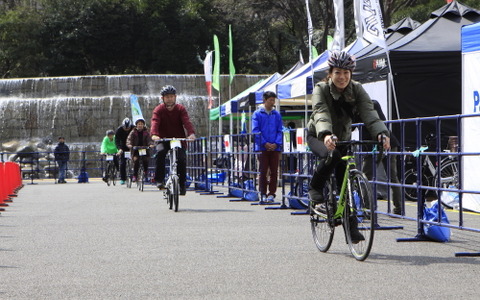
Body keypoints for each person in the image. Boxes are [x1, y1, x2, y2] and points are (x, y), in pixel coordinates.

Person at [307, 51, 391, 242]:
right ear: (330, 73)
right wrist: (326, 134)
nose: (342, 77)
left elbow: (369, 112)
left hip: (342, 138)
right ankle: (315, 189)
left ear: (351, 73)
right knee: (333, 155)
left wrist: (381, 133)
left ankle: (351, 229)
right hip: (318, 136)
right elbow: (320, 112)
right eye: (337, 72)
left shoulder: (357, 89)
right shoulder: (321, 89)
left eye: (346, 72)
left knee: (345, 181)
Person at [151, 85, 196, 195]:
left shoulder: (181, 109)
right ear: (163, 98)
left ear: (175, 97)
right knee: (160, 153)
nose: (169, 99)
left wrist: (191, 133)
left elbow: (187, 122)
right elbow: (155, 122)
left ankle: (182, 184)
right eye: (167, 97)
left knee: (181, 159)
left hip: (178, 139)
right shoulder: (159, 109)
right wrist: (154, 134)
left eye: (171, 96)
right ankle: (159, 180)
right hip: (163, 139)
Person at [361, 100, 402, 215]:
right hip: (389, 142)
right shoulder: (374, 104)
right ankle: (399, 208)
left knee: (367, 177)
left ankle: (368, 210)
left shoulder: (362, 107)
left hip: (373, 144)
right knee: (392, 176)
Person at [252, 91, 283, 203]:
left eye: (273, 100)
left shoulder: (277, 114)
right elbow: (255, 131)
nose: (272, 102)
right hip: (262, 147)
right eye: (270, 100)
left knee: (274, 171)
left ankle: (272, 193)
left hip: (275, 147)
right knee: (263, 171)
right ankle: (263, 193)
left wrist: (276, 143)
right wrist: (264, 143)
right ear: (264, 100)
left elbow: (280, 130)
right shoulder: (257, 114)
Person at [115, 118, 135, 184]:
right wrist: (119, 149)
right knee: (122, 163)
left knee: (136, 160)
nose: (126, 129)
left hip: (132, 145)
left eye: (128, 128)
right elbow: (117, 141)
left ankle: (136, 175)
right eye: (125, 128)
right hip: (123, 147)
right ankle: (123, 178)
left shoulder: (134, 129)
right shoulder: (119, 130)